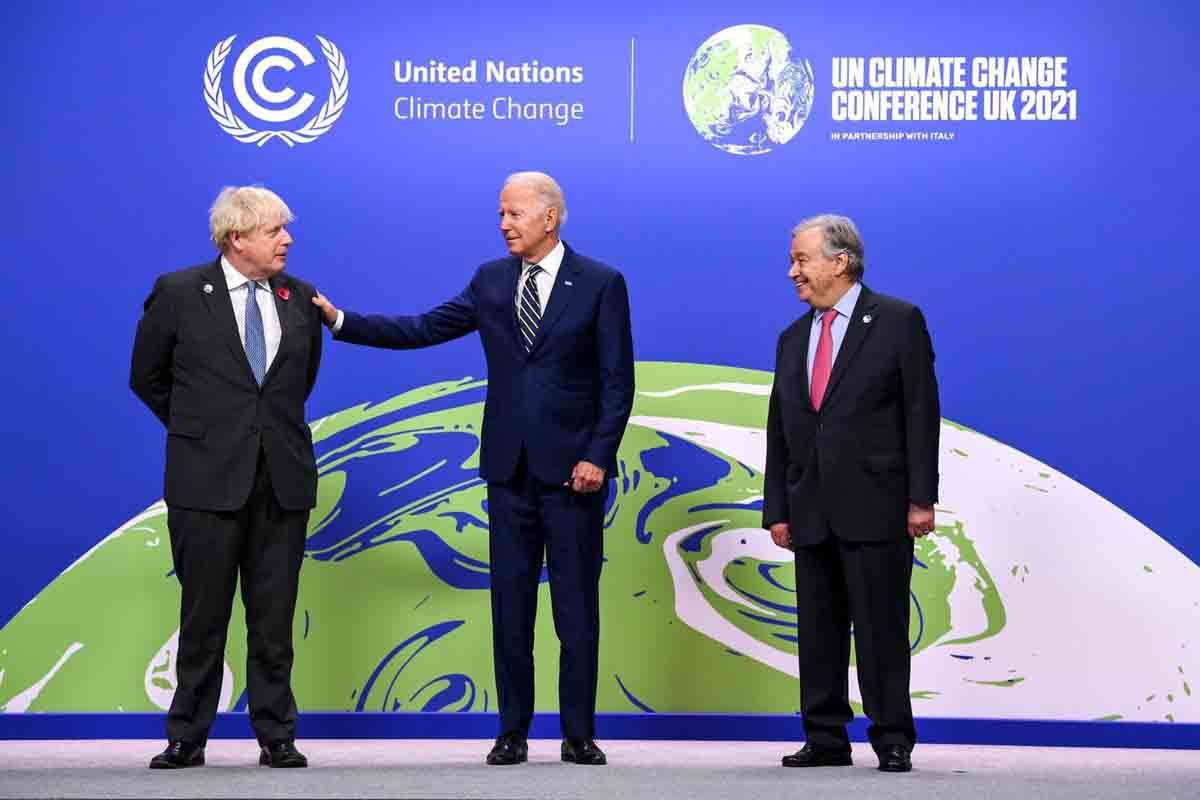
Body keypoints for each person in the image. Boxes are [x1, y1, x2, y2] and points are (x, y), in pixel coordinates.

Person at [312, 171, 634, 766]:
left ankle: (578, 735)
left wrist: (596, 455)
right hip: (508, 473)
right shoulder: (490, 280)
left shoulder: (600, 283)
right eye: (501, 214)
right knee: (509, 607)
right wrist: (340, 321)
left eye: (514, 214)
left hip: (573, 477)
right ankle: (512, 731)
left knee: (575, 610)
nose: (504, 223)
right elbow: (425, 328)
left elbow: (618, 384)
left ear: (549, 218)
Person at [130, 186, 324, 769]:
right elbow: (148, 376)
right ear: (237, 238)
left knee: (274, 620)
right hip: (205, 483)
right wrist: (204, 431)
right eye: (275, 231)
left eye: (286, 230)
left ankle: (277, 734)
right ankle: (187, 736)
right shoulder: (180, 293)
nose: (287, 240)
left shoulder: (301, 297)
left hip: (281, 483)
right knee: (203, 616)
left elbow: (297, 384)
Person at [762, 214, 939, 773]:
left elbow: (920, 414)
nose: (793, 272)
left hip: (878, 505)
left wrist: (920, 498)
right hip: (810, 507)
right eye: (793, 260)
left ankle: (891, 738)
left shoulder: (897, 321)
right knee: (817, 633)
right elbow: (780, 428)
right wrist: (778, 508)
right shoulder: (792, 338)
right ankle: (825, 738)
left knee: (882, 630)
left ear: (840, 261)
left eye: (801, 259)